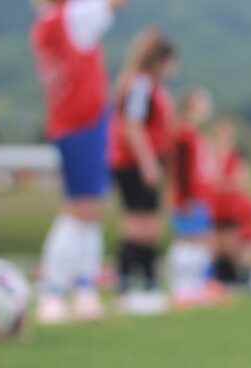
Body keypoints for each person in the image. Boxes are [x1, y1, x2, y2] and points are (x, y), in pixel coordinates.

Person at [31, 0, 128, 324]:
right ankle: (54, 291)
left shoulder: (48, 22)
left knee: (90, 208)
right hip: (81, 123)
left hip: (73, 122)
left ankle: (83, 289)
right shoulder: (72, 15)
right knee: (80, 208)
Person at [110, 30, 177, 314]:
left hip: (143, 163)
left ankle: (146, 285)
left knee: (149, 227)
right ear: (160, 60)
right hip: (134, 163)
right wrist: (148, 162)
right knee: (139, 226)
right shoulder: (140, 85)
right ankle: (128, 285)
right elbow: (133, 126)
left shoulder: (149, 85)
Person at [168, 88, 230, 308]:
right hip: (189, 200)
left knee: (201, 242)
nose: (206, 108)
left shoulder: (194, 135)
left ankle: (197, 287)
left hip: (200, 199)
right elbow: (181, 171)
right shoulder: (183, 135)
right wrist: (184, 200)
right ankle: (183, 289)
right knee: (189, 241)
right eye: (202, 103)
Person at [209, 117, 251, 285]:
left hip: (234, 209)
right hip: (217, 210)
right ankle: (223, 281)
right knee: (219, 249)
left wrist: (222, 184)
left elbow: (240, 182)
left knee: (242, 247)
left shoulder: (236, 159)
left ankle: (246, 280)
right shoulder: (210, 158)